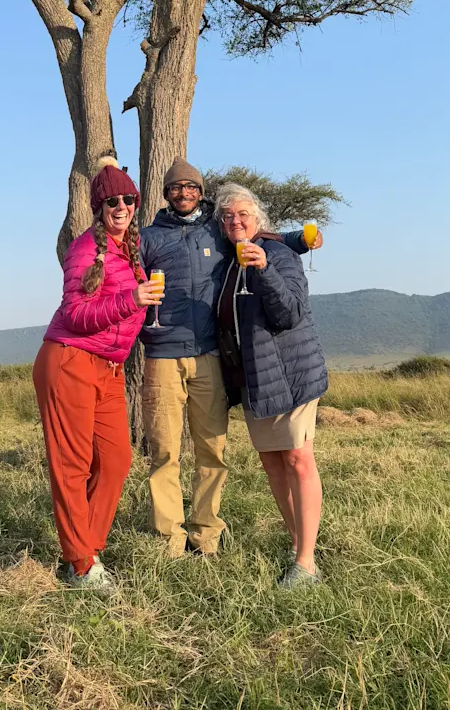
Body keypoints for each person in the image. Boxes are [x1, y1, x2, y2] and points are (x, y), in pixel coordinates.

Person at [140, 159, 314, 557]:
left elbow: (263, 238)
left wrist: (301, 241)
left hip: (210, 356)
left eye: (191, 187)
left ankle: (206, 536)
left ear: (200, 193)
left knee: (212, 450)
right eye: (175, 188)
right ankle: (170, 540)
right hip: (162, 355)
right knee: (164, 451)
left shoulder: (216, 233)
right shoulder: (148, 238)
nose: (183, 193)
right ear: (165, 193)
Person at [33, 158, 163, 590]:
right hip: (69, 359)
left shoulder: (129, 247)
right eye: (111, 201)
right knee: (72, 464)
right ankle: (82, 564)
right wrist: (132, 299)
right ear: (98, 206)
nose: (121, 206)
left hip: (109, 367)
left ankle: (86, 547)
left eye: (127, 199)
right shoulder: (86, 249)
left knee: (116, 460)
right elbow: (75, 314)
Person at [214, 182, 328, 589]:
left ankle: (306, 563)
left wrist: (263, 270)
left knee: (298, 459)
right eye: (227, 217)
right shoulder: (227, 263)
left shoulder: (280, 255)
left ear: (259, 217)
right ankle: (300, 543)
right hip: (254, 379)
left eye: (242, 214)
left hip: (292, 373)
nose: (235, 222)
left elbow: (289, 313)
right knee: (272, 464)